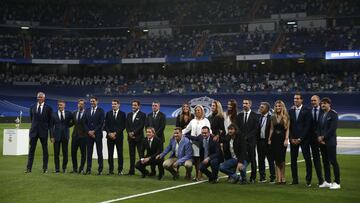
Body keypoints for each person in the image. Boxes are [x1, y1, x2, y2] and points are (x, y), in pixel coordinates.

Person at [25, 92, 53, 173]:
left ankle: (45, 168)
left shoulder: (49, 108)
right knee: (31, 151)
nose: (39, 98)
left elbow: (50, 123)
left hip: (43, 132)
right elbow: (32, 119)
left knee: (45, 151)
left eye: (41, 97)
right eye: (38, 97)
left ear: (44, 98)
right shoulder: (32, 107)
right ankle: (28, 168)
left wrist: (51, 135)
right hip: (34, 132)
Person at [288, 93, 312, 186]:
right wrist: (291, 138)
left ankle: (308, 180)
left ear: (301, 100)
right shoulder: (290, 111)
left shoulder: (307, 110)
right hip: (293, 140)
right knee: (293, 160)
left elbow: (308, 126)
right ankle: (295, 180)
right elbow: (289, 126)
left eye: (298, 98)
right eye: (294, 98)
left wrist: (300, 138)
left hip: (304, 139)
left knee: (307, 159)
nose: (296, 100)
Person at [182, 105, 211, 181]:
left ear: (202, 111)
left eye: (199, 110)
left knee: (201, 159)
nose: (197, 111)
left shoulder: (206, 121)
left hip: (202, 143)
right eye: (196, 110)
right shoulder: (192, 121)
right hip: (193, 144)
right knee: (196, 160)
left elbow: (209, 131)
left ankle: (200, 175)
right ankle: (197, 175)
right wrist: (179, 133)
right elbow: (186, 129)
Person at [318, 97, 341, 189]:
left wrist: (323, 137)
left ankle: (337, 182)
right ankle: (327, 181)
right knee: (325, 162)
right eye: (322, 103)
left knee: (333, 161)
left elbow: (332, 129)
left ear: (329, 104)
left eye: (325, 103)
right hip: (322, 142)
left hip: (330, 142)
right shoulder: (322, 115)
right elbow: (319, 128)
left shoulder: (333, 114)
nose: (323, 105)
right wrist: (319, 137)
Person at [236, 98, 260, 183]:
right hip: (241, 142)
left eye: (246, 103)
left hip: (251, 142)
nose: (244, 105)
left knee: (253, 159)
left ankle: (253, 177)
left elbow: (256, 129)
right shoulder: (239, 116)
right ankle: (242, 177)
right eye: (243, 103)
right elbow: (237, 128)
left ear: (250, 104)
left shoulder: (255, 115)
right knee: (241, 158)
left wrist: (247, 137)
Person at [268, 100, 289, 184]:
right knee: (276, 159)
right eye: (276, 106)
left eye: (279, 106)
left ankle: (283, 177)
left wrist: (286, 139)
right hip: (274, 139)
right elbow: (272, 129)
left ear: (282, 107)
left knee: (282, 159)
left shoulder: (286, 116)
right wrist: (269, 139)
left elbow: (287, 129)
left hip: (282, 139)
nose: (277, 107)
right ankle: (278, 178)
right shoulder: (272, 116)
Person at [84, 96, 105, 175]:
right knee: (89, 152)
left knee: (99, 152)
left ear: (97, 101)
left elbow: (101, 123)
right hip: (88, 135)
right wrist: (89, 131)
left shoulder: (101, 111)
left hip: (98, 134)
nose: (92, 103)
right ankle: (88, 169)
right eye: (91, 101)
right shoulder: (87, 110)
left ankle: (100, 170)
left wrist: (94, 131)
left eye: (93, 101)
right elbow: (84, 122)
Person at [50, 100, 73, 173]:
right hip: (56, 136)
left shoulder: (69, 113)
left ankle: (64, 168)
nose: (60, 106)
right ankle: (57, 169)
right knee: (56, 153)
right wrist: (51, 136)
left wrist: (68, 126)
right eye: (59, 105)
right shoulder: (53, 114)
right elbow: (51, 126)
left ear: (64, 105)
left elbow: (74, 121)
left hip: (65, 136)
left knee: (65, 153)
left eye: (61, 105)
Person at [104, 99, 126, 175]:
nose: (113, 105)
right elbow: (105, 125)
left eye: (115, 104)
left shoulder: (122, 114)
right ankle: (111, 170)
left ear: (119, 105)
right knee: (110, 154)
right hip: (109, 137)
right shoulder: (108, 113)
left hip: (118, 137)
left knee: (120, 154)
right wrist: (109, 133)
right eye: (112, 104)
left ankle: (120, 170)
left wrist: (115, 133)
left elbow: (123, 126)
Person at [145, 101, 166, 176]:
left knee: (160, 156)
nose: (154, 107)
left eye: (155, 105)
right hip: (150, 139)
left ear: (159, 106)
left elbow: (162, 127)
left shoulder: (162, 115)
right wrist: (149, 135)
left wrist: (154, 135)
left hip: (159, 139)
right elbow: (146, 126)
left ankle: (161, 172)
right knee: (151, 154)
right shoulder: (149, 115)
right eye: (153, 105)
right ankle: (153, 171)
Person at [126, 100, 146, 175]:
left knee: (141, 155)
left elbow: (141, 126)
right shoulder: (129, 114)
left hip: (139, 138)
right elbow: (127, 125)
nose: (133, 106)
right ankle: (131, 171)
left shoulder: (143, 115)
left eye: (135, 105)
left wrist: (133, 133)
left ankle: (143, 171)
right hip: (130, 138)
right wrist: (129, 133)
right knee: (131, 155)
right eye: (132, 105)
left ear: (138, 106)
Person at [257, 102, 275, 183]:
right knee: (261, 160)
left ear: (267, 109)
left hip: (268, 142)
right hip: (260, 141)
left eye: (262, 107)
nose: (260, 108)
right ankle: (262, 177)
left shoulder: (271, 118)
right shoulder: (259, 117)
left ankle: (272, 177)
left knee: (270, 160)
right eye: (260, 107)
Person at [310, 95, 326, 186]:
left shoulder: (324, 111)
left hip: (323, 138)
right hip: (313, 139)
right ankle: (321, 180)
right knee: (316, 159)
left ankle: (327, 180)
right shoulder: (309, 111)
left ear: (319, 101)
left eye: (315, 100)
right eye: (312, 101)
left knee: (325, 159)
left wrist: (322, 136)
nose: (313, 102)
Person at [70, 99, 87, 174]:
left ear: (84, 105)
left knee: (83, 153)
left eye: (82, 104)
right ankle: (75, 168)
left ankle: (82, 168)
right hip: (75, 136)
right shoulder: (74, 113)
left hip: (83, 136)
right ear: (77, 104)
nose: (81, 105)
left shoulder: (87, 113)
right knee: (73, 153)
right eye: (79, 104)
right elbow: (72, 123)